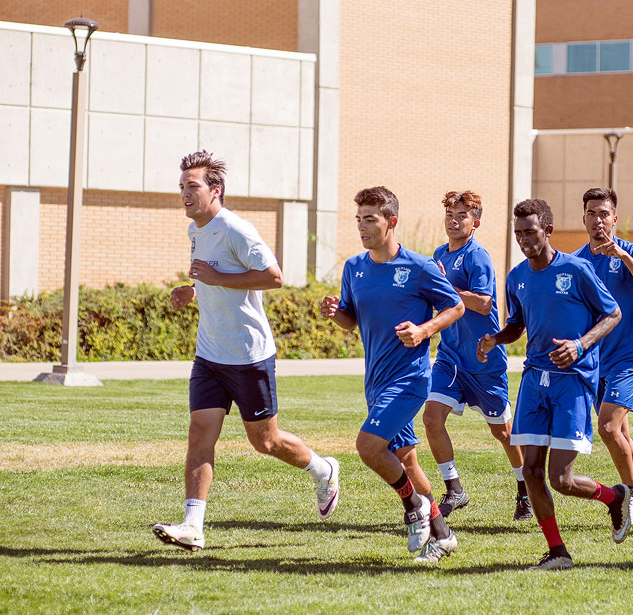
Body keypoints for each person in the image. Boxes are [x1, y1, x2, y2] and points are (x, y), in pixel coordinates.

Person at [153, 150, 339, 552]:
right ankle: (193, 526)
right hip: (209, 355)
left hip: (249, 355)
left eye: (193, 186)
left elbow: (274, 277)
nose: (185, 193)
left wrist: (217, 277)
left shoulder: (237, 229)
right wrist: (193, 291)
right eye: (181, 186)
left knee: (265, 442)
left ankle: (324, 470)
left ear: (215, 189)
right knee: (200, 435)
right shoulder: (196, 230)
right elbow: (212, 281)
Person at [478, 198, 626, 570]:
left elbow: (613, 313)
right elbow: (517, 325)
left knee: (560, 478)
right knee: (530, 472)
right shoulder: (517, 277)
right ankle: (558, 552)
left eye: (530, 232)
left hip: (572, 383)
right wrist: (496, 338)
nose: (524, 239)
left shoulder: (576, 270)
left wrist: (580, 345)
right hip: (534, 380)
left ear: (548, 230)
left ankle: (614, 497)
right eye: (518, 234)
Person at [321, 186, 466, 564]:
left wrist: (423, 331)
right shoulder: (355, 268)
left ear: (392, 222)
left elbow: (455, 306)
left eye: (370, 219)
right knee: (407, 460)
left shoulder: (419, 267)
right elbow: (350, 321)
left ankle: (413, 508)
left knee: (368, 447)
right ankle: (443, 535)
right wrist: (335, 312)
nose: (362, 227)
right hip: (376, 381)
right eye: (359, 220)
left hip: (411, 378)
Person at [423, 191, 532, 521]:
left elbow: (484, 303)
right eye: (449, 215)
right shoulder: (439, 253)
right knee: (431, 418)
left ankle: (525, 489)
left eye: (462, 215)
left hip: (484, 360)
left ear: (476, 222)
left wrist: (445, 287)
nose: (454, 221)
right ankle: (455, 488)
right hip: (450, 357)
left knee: (502, 432)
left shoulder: (477, 256)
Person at [572, 188, 633, 529]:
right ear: (583, 218)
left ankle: (632, 495)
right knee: (622, 436)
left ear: (614, 218)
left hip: (629, 357)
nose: (598, 219)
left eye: (604, 213)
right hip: (596, 358)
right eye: (592, 213)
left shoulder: (631, 251)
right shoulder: (578, 260)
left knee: (609, 428)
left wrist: (623, 256)